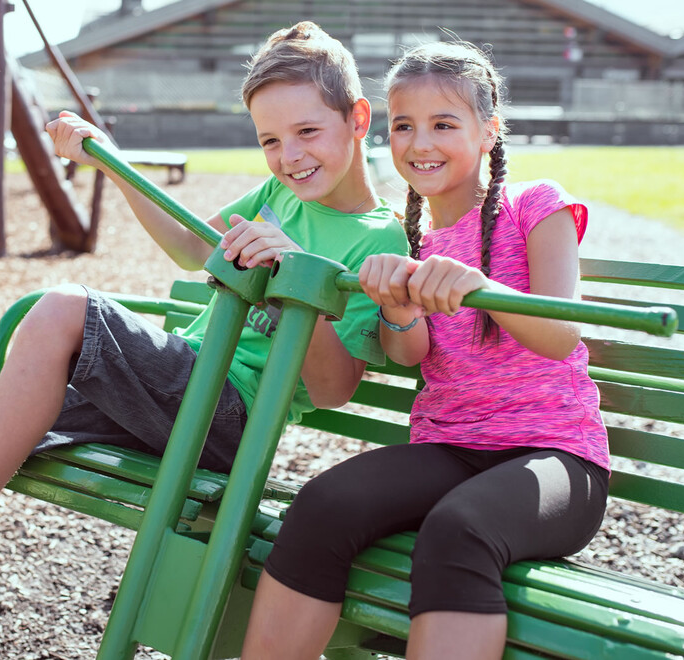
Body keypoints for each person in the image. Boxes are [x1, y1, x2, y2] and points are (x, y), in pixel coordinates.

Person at [0, 21, 409, 660]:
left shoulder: (378, 240)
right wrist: (110, 163)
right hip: (181, 392)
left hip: (229, 416)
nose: (291, 155)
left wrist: (297, 280)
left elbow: (332, 390)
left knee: (64, 309)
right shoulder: (280, 193)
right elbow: (195, 245)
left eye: (308, 132)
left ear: (359, 120)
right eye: (271, 140)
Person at [240, 40, 610, 660]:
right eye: (403, 126)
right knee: (323, 504)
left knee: (458, 530)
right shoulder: (412, 239)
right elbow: (408, 354)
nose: (421, 143)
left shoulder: (534, 206)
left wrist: (485, 289)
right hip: (449, 448)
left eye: (444, 124)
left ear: (489, 130)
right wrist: (398, 307)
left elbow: (561, 334)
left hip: (556, 460)